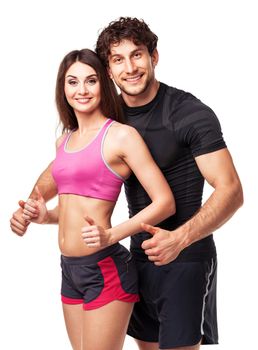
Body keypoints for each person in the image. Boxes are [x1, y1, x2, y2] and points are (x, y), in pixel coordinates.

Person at [10, 17, 243, 350]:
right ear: (108, 70)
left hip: (185, 259)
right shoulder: (109, 117)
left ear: (154, 57)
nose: (130, 67)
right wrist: (35, 206)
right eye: (118, 59)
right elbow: (62, 170)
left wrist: (179, 238)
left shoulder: (188, 113)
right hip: (137, 257)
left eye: (138, 55)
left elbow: (232, 190)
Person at [14, 48, 175, 350]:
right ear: (63, 87)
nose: (82, 90)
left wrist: (111, 234)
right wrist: (43, 215)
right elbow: (76, 205)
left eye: (90, 81)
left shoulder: (120, 136)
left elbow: (165, 201)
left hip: (105, 268)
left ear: (103, 83)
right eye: (73, 82)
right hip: (70, 269)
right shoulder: (64, 140)